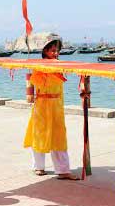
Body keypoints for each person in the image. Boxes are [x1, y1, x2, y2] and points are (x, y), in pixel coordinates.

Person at [23, 35, 78, 180]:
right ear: (45, 51)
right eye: (52, 50)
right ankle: (38, 167)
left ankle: (63, 170)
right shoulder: (39, 66)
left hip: (56, 105)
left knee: (59, 136)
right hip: (42, 105)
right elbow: (37, 83)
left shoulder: (61, 65)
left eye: (57, 50)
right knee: (39, 135)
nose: (55, 53)